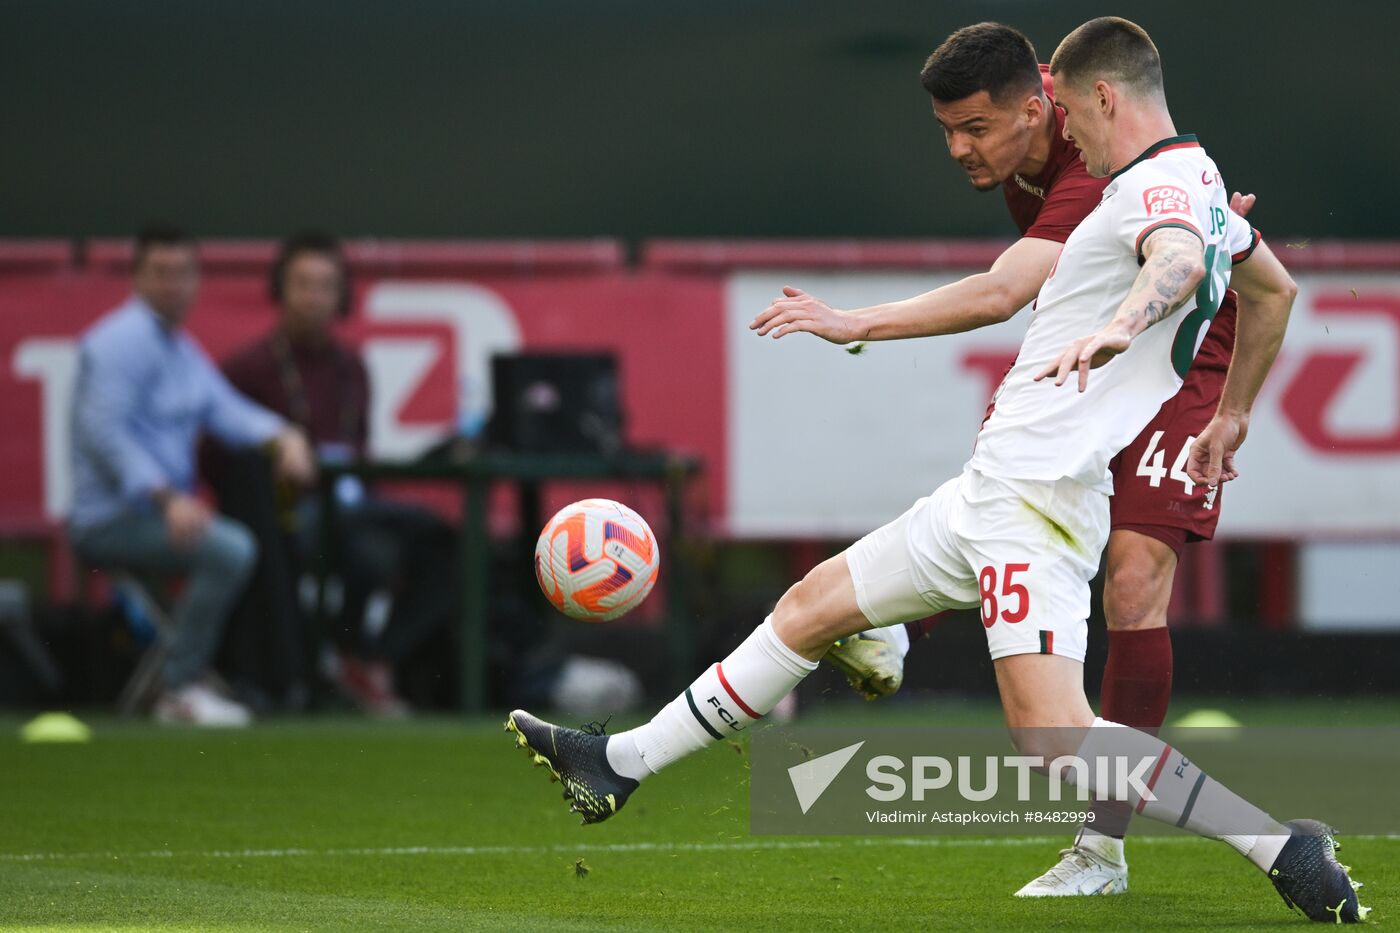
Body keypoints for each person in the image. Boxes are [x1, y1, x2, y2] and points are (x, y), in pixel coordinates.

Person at [506, 17, 1366, 923]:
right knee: (807, 608)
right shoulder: (1198, 180)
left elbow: (1178, 257)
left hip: (1036, 505)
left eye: (1067, 109)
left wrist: (1125, 320)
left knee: (1055, 740)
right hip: (991, 491)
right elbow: (1273, 288)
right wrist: (1231, 413)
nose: (1064, 131)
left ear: (1101, 97)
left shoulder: (1151, 185)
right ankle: (620, 764)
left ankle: (1280, 845)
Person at [751, 21, 1254, 896]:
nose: (958, 149)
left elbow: (1003, 291)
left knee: (1131, 581)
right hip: (1096, 348)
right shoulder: (1028, 154)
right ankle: (897, 622)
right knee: (1007, 483)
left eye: (974, 129)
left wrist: (856, 322)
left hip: (1177, 356)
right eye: (946, 130)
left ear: (1044, 105)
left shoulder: (1091, 157)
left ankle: (1102, 849)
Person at [70, 225, 315, 726]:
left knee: (231, 544)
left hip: (155, 517)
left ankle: (181, 676)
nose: (172, 285)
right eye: (160, 273)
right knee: (231, 549)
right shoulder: (119, 341)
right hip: (110, 521)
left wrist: (284, 435)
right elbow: (103, 434)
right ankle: (177, 686)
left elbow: (226, 410)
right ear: (136, 278)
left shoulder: (178, 348)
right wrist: (164, 498)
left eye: (182, 273)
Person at [218, 231, 452, 716]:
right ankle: (331, 658)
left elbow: (360, 453)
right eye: (302, 284)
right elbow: (218, 460)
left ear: (341, 295)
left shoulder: (353, 368)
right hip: (291, 514)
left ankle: (371, 655)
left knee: (442, 540)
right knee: (368, 552)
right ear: (280, 290)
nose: (313, 298)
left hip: (354, 504)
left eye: (325, 286)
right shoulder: (249, 369)